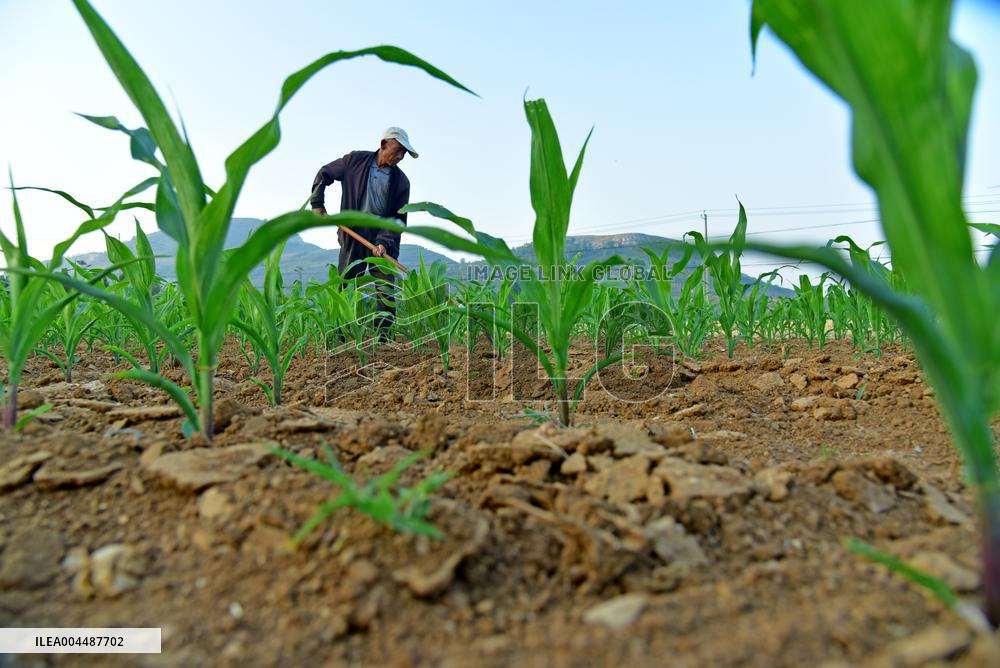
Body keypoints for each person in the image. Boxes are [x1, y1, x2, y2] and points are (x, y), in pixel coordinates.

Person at [310, 127, 417, 336]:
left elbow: (398, 218)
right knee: (347, 285)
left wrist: (384, 242)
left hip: (382, 239)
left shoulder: (402, 182)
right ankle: (340, 335)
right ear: (383, 144)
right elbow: (325, 173)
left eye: (404, 153)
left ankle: (383, 338)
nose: (400, 157)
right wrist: (317, 202)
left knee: (385, 288)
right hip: (353, 234)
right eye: (397, 150)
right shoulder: (354, 162)